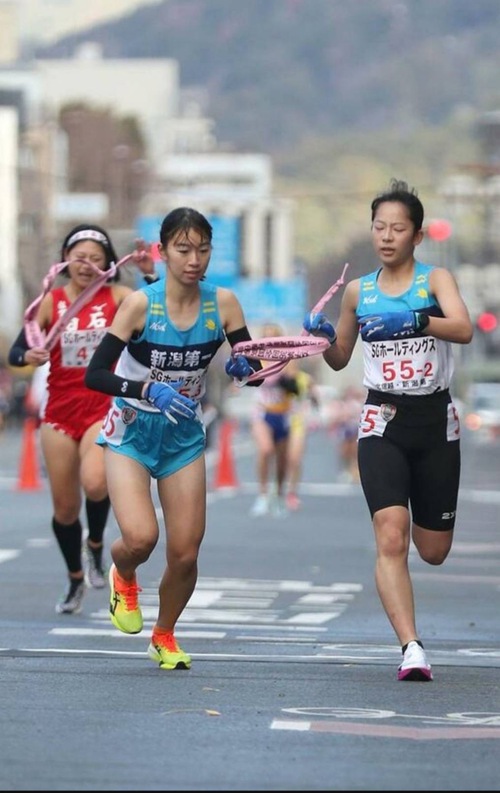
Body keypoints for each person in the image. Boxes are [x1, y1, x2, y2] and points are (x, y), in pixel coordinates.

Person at [303, 178, 473, 682]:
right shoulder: (359, 291)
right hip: (383, 421)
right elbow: (339, 360)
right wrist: (322, 337)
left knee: (433, 550)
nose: (387, 236)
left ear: (416, 236)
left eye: (398, 228)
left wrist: (418, 320)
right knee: (390, 535)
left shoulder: (434, 280)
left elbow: (462, 328)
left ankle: (413, 635)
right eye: (379, 226)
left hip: (435, 420)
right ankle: (411, 647)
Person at [84, 207, 262, 671]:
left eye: (203, 250)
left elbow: (254, 369)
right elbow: (96, 374)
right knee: (141, 538)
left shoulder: (223, 304)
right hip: (132, 431)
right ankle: (123, 574)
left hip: (182, 436)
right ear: (163, 252)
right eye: (183, 250)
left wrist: (248, 369)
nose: (194, 259)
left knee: (184, 551)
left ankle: (164, 634)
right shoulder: (142, 305)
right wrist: (147, 389)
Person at [8, 223, 156, 615]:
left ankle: (95, 546)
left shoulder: (121, 296)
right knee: (64, 509)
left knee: (95, 481)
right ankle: (75, 577)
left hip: (102, 406)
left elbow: (157, 316)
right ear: (65, 261)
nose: (87, 265)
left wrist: (149, 273)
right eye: (79, 258)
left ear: (109, 264)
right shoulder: (50, 302)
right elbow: (16, 350)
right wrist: (29, 356)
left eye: (95, 258)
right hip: (58, 411)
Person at [249, 322, 300, 518]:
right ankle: (262, 495)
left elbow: (295, 386)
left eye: (274, 336)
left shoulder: (288, 358)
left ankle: (278, 495)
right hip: (263, 412)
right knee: (265, 449)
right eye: (266, 336)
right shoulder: (258, 357)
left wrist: (286, 379)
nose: (270, 341)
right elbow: (249, 379)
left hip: (283, 412)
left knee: (282, 460)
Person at [285, 363, 321, 510]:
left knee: (295, 458)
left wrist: (314, 415)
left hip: (298, 421)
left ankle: (292, 492)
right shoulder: (277, 376)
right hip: (281, 420)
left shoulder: (306, 379)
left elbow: (315, 399)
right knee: (282, 458)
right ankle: (278, 490)